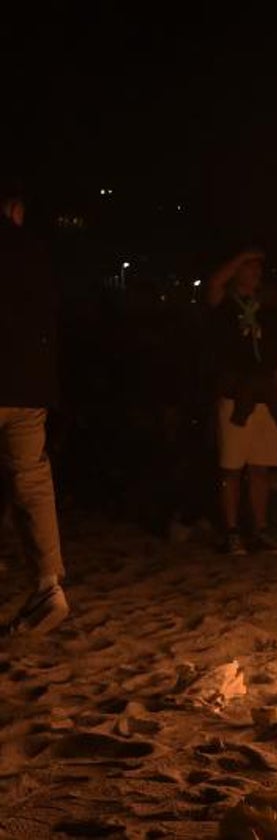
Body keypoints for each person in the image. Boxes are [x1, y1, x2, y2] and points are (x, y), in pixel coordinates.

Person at [1, 185, 69, 636]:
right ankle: (48, 584)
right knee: (32, 479)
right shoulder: (36, 250)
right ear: (16, 209)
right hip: (29, 385)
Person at [205, 248, 277, 555]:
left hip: (265, 398)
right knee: (231, 468)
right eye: (250, 268)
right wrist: (240, 256)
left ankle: (260, 530)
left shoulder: (268, 309)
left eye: (259, 269)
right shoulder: (226, 305)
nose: (256, 273)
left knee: (261, 468)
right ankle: (231, 531)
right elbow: (213, 284)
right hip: (236, 395)